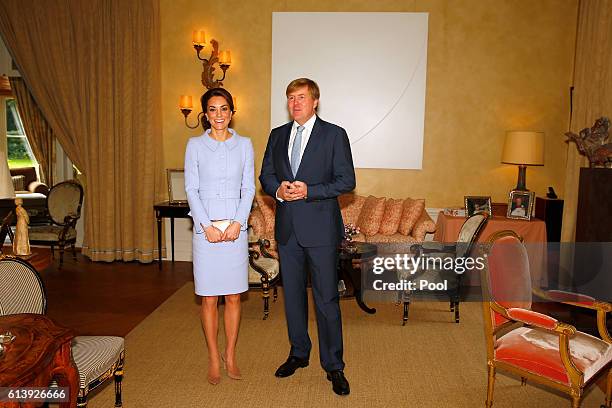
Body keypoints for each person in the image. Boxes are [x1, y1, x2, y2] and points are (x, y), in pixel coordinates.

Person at [259, 78, 356, 396]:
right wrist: (278, 190)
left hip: (321, 231)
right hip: (287, 230)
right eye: (290, 98)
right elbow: (266, 175)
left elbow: (346, 181)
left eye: (301, 97)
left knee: (326, 299)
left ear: (315, 101)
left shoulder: (334, 134)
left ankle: (334, 366)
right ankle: (298, 353)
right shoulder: (277, 135)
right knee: (294, 299)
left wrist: (309, 191)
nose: (294, 103)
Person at [184, 87, 255, 385]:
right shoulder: (195, 145)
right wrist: (206, 226)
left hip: (235, 231)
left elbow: (248, 188)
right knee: (210, 298)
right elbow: (191, 189)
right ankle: (213, 358)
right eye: (212, 109)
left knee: (234, 297)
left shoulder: (245, 145)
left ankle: (230, 355)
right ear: (205, 114)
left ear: (232, 111)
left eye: (224, 108)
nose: (218, 115)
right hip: (207, 232)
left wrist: (239, 223)